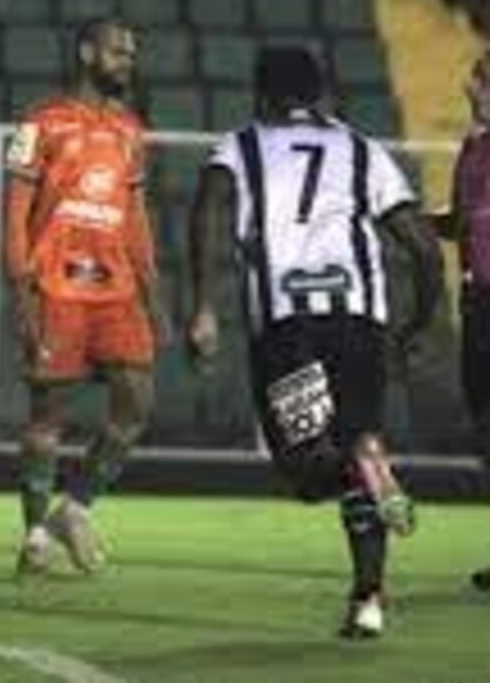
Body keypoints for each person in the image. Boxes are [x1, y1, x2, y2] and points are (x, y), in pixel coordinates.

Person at [186, 45, 444, 639]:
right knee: (358, 442)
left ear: (262, 94)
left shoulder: (240, 147)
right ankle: (369, 599)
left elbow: (209, 213)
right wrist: (418, 325)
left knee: (306, 468)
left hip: (287, 322)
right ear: (320, 94)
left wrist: (203, 306)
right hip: (360, 320)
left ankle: (358, 469)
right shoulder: (363, 150)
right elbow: (425, 248)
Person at [5, 17, 166, 576]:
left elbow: (137, 222)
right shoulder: (42, 123)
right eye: (118, 52)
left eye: (131, 53)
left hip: (116, 290)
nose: (128, 61)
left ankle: (73, 508)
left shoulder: (129, 130)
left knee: (136, 404)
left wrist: (155, 297)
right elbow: (15, 216)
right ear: (85, 53)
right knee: (48, 414)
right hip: (56, 287)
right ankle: (33, 536)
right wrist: (20, 290)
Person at [429, 50, 490, 590]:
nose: (469, 85)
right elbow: (460, 221)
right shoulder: (472, 148)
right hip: (476, 302)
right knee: (485, 426)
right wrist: (410, 223)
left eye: (479, 77)